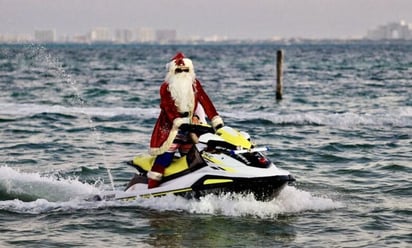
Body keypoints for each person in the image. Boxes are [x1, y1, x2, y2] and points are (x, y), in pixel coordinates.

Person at [147, 52, 224, 188]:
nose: (182, 72)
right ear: (172, 71)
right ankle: (151, 188)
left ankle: (189, 186)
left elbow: (205, 101)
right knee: (165, 158)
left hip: (190, 127)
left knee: (193, 157)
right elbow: (167, 107)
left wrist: (215, 120)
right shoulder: (166, 87)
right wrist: (176, 120)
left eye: (185, 70)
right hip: (171, 128)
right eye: (179, 70)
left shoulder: (194, 84)